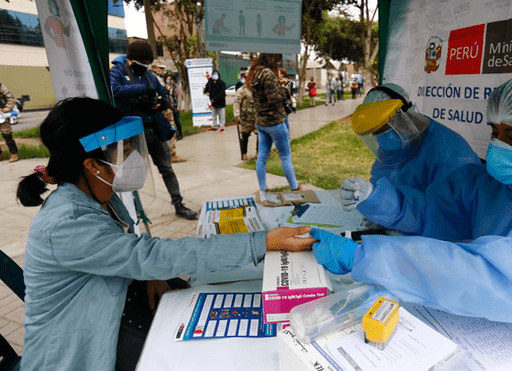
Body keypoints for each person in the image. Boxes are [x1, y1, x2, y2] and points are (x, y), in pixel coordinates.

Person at [310, 72, 512, 371]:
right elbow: (437, 212)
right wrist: (382, 201)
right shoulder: (498, 181)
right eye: (495, 133)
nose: (497, 147)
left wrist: (365, 256)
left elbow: (497, 275)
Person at [15, 97, 315, 371]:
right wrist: (261, 241)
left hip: (108, 311)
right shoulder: (66, 223)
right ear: (93, 165)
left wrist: (148, 274)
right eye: (123, 150)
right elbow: (149, 255)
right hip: (73, 349)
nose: (131, 156)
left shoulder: (98, 192)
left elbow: (128, 253)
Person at [339, 83, 480, 219]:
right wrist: (370, 198)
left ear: (406, 114)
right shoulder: (397, 142)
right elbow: (381, 177)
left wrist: (384, 209)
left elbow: (447, 216)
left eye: (384, 128)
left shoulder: (448, 152)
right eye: (375, 132)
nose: (380, 137)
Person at [110, 40, 197, 220]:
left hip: (154, 129)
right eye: (144, 63)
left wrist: (158, 103)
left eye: (149, 63)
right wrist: (143, 90)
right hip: (132, 132)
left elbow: (164, 98)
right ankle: (133, 209)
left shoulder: (150, 76)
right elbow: (114, 90)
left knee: (167, 169)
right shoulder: (117, 72)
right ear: (131, 60)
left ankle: (179, 204)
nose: (147, 66)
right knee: (132, 173)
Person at [247, 53, 300, 191]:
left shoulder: (256, 73)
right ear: (272, 58)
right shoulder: (268, 74)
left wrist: (277, 85)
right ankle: (295, 186)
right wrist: (282, 89)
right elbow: (275, 100)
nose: (279, 63)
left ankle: (263, 188)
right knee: (285, 157)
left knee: (262, 158)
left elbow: (263, 96)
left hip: (261, 123)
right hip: (274, 122)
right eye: (278, 61)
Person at [233, 83, 258, 161]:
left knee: (260, 134)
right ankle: (244, 153)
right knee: (245, 135)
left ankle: (258, 152)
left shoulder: (257, 89)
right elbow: (237, 103)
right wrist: (237, 116)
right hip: (246, 117)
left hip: (256, 116)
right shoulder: (242, 90)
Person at [0, 83, 19, 162]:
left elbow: (10, 98)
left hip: (1, 114)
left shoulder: (1, 87)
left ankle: (14, 154)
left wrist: (7, 109)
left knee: (7, 134)